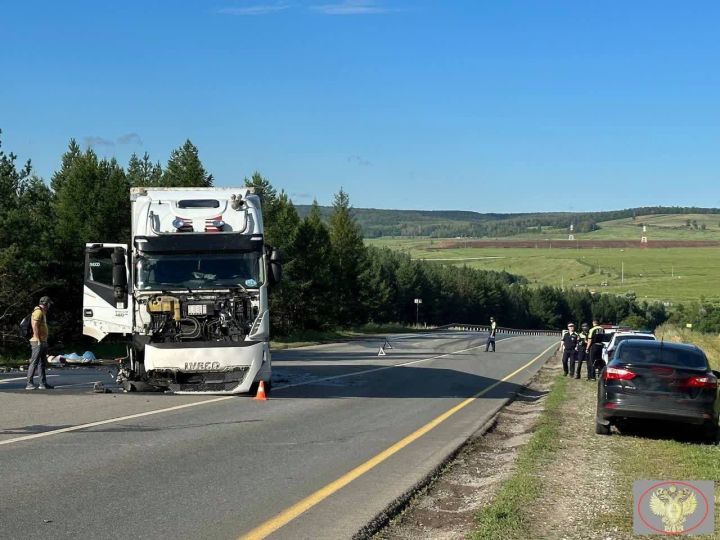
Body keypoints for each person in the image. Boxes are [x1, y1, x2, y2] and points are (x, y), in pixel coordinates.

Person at [26, 296, 54, 390]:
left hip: (43, 341)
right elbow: (35, 326)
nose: (50, 305)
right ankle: (29, 384)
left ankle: (43, 383)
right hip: (37, 341)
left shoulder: (42, 312)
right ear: (46, 303)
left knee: (42, 363)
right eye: (49, 303)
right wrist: (38, 339)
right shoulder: (38, 312)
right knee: (34, 362)